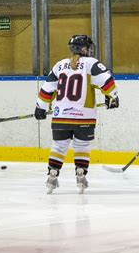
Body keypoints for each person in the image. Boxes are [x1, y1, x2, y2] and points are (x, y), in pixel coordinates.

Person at [34, 35, 119, 194]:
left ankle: (52, 175)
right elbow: (107, 82)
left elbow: (47, 89)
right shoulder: (92, 64)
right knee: (82, 146)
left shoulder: (59, 65)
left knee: (59, 146)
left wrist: (41, 107)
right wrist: (112, 97)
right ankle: (80, 175)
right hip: (84, 117)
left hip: (60, 117)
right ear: (85, 49)